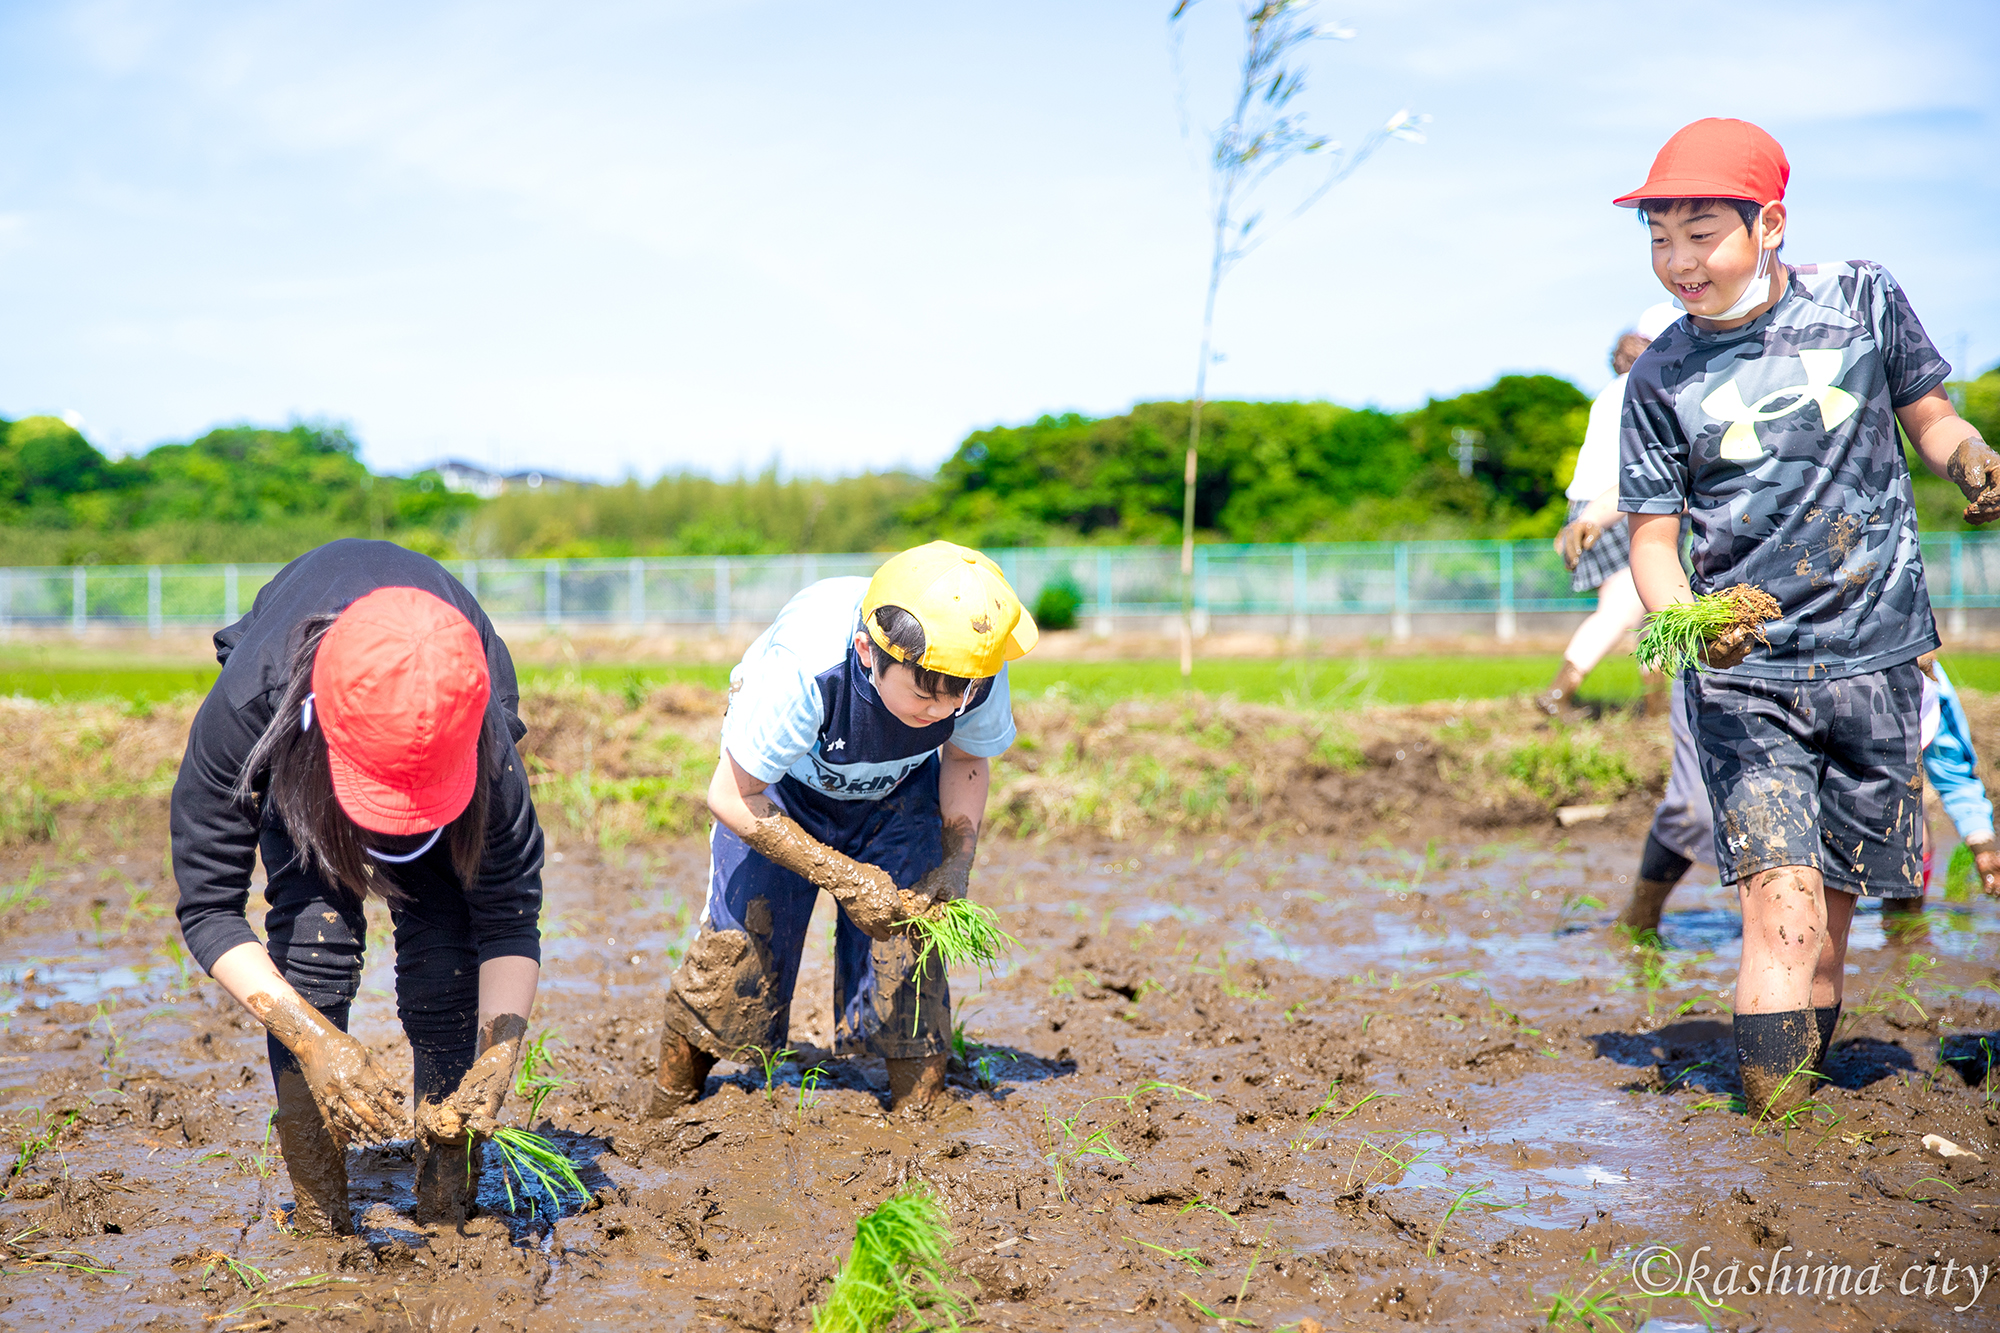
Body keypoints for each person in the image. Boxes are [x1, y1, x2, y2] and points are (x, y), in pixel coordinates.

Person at [1614, 118, 2000, 1119]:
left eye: (1699, 233)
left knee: (1825, 929)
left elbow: (1929, 415)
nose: (1676, 261)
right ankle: (1770, 1139)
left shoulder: (1862, 300)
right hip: (1747, 677)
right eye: (1658, 238)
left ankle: (1786, 1129)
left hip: (1875, 663)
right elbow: (1652, 544)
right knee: (1778, 917)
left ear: (1768, 222)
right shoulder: (1659, 376)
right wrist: (1694, 627)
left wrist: (1965, 455)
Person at [172, 540, 546, 1234]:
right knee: (316, 939)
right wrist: (310, 1037)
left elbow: (507, 913)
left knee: (445, 954)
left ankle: (446, 1199)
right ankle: (321, 1213)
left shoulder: (483, 738)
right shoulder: (257, 705)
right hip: (305, 746)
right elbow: (209, 907)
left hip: (453, 707)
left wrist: (500, 1053)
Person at [641, 541, 1035, 1119]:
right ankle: (665, 1114)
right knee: (739, 956)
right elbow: (731, 794)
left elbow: (965, 759)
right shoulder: (806, 665)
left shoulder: (974, 666)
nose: (940, 713)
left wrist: (958, 857)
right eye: (923, 695)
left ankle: (918, 1120)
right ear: (867, 653)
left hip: (898, 797)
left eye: (958, 698)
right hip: (779, 793)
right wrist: (846, 879)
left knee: (910, 951)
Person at [1619, 658, 2000, 940]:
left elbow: (1951, 766)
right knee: (1700, 812)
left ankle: (1901, 942)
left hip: (1840, 688)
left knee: (1903, 820)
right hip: (1738, 674)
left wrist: (1980, 837)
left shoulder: (1923, 681)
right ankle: (1641, 918)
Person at [1536, 303, 1682, 720]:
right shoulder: (1651, 388)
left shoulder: (1612, 390)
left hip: (1589, 503)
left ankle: (1656, 705)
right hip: (1621, 502)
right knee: (1625, 607)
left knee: (1655, 612)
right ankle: (1560, 692)